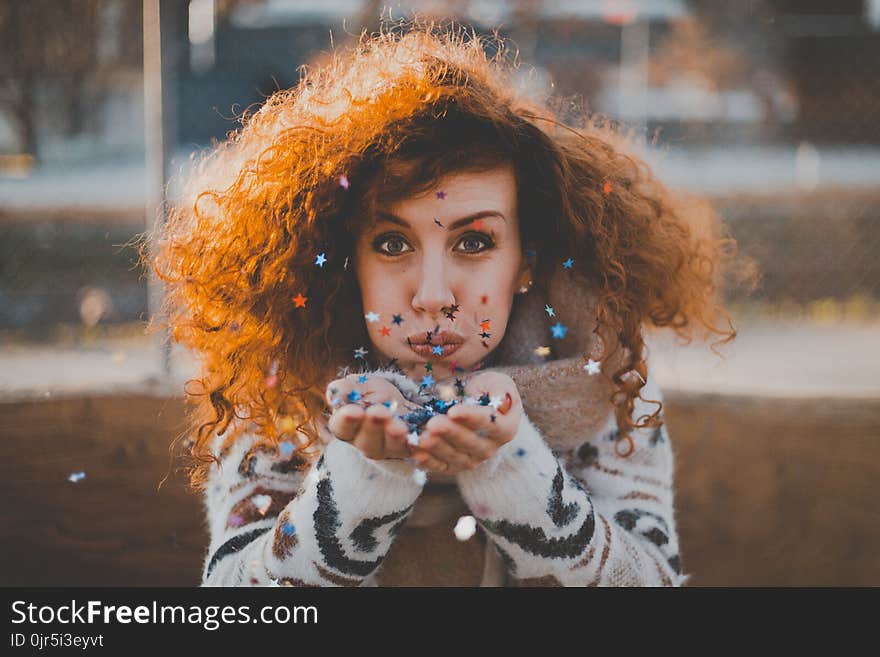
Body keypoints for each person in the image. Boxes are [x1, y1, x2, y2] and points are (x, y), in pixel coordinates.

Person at [146, 24, 748, 586]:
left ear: (525, 262)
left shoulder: (602, 376)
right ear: (345, 255)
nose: (432, 295)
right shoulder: (280, 382)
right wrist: (362, 480)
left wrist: (515, 469)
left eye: (474, 242)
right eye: (391, 243)